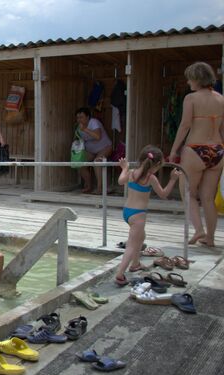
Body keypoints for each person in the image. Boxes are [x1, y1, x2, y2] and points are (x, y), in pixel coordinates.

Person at [169, 62, 224, 247]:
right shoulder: (221, 99)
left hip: (195, 148)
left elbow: (185, 126)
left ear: (197, 79)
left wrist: (174, 150)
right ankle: (210, 238)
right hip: (217, 150)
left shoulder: (191, 99)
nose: (187, 82)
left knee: (188, 193)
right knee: (208, 197)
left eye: (190, 78)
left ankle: (199, 230)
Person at [114, 146, 181, 285]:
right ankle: (120, 274)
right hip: (138, 215)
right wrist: (173, 179)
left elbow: (120, 181)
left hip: (127, 212)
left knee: (141, 236)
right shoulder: (151, 178)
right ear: (156, 165)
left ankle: (135, 264)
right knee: (131, 245)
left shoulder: (132, 173)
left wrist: (124, 168)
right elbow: (163, 194)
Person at [75, 107, 113, 194]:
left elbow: (97, 136)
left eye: (81, 117)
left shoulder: (94, 122)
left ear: (88, 117)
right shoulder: (78, 128)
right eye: (77, 117)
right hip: (91, 150)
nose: (79, 119)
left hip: (105, 147)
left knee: (97, 162)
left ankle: (100, 189)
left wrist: (84, 129)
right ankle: (88, 186)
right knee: (80, 164)